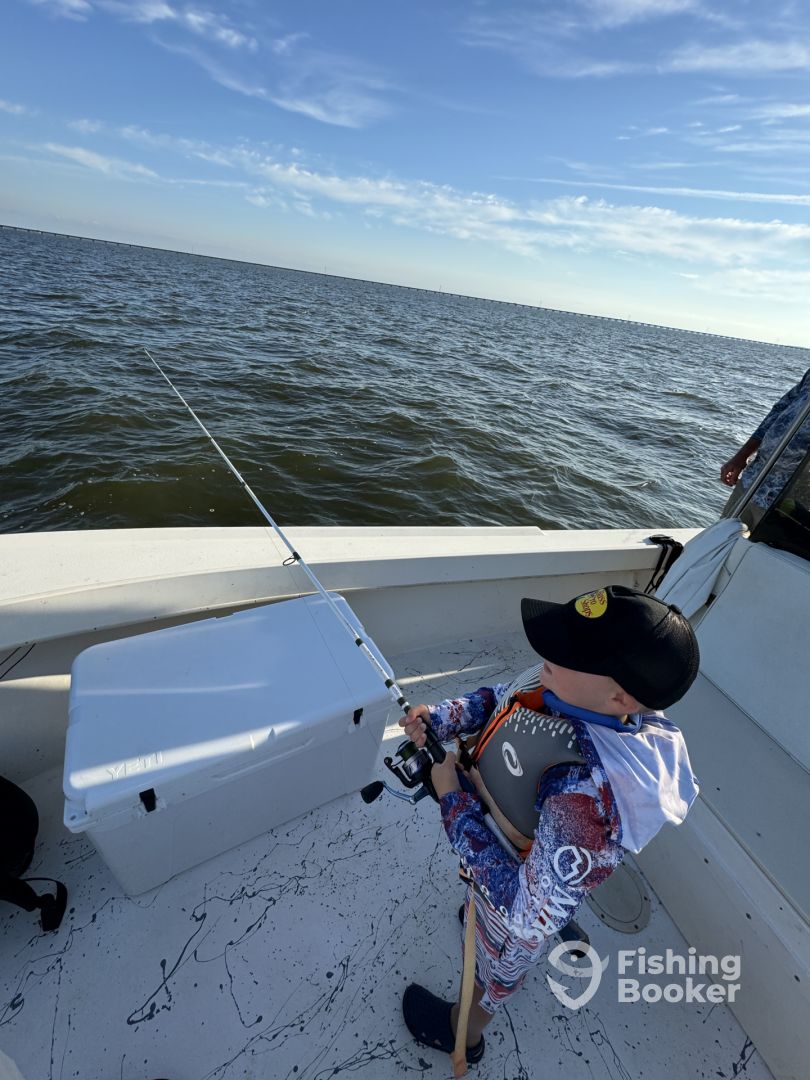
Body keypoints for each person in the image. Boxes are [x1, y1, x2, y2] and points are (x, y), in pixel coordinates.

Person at [399, 585, 700, 1071]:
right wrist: (444, 717)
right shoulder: (567, 686)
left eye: (567, 651)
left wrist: (452, 799)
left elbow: (525, 912)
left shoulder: (586, 800)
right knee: (483, 921)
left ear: (620, 696)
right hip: (497, 859)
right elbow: (504, 699)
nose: (547, 654)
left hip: (515, 901)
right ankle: (477, 920)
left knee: (497, 967)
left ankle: (464, 1032)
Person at [720, 367, 810, 530]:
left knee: (765, 545)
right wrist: (741, 456)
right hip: (754, 480)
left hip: (790, 500)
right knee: (720, 535)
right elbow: (779, 410)